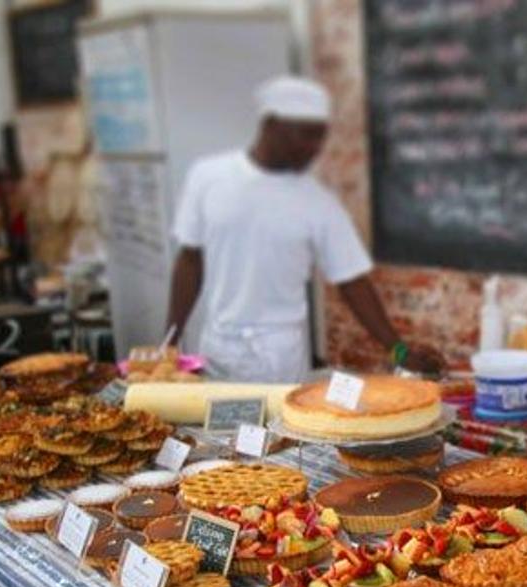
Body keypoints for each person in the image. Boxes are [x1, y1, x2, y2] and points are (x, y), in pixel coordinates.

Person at [166, 76, 444, 382]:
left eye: (319, 138)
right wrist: (169, 341)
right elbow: (190, 260)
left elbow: (352, 281)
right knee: (215, 429)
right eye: (306, 136)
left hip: (280, 358)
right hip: (219, 349)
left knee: (279, 429)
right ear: (271, 125)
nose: (314, 149)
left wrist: (399, 352)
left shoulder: (317, 202)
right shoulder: (208, 177)